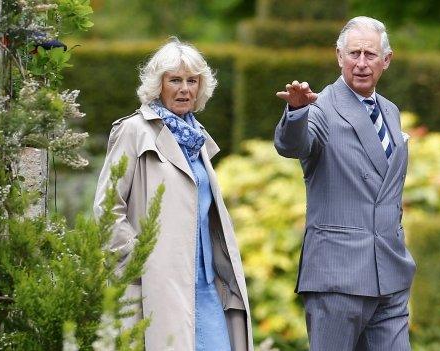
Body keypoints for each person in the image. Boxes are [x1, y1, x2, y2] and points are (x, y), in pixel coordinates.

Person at [94, 38, 252, 351]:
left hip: (207, 285)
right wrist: (138, 259)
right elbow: (107, 206)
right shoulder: (135, 130)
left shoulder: (197, 138)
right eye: (175, 80)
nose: (184, 89)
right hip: (160, 284)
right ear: (158, 85)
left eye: (192, 81)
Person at [274, 16, 416, 350]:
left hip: (390, 276)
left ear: (386, 60)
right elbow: (293, 145)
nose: (362, 63)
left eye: (370, 54)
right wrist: (296, 112)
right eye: (354, 54)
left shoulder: (390, 112)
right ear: (339, 57)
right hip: (338, 278)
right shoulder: (320, 107)